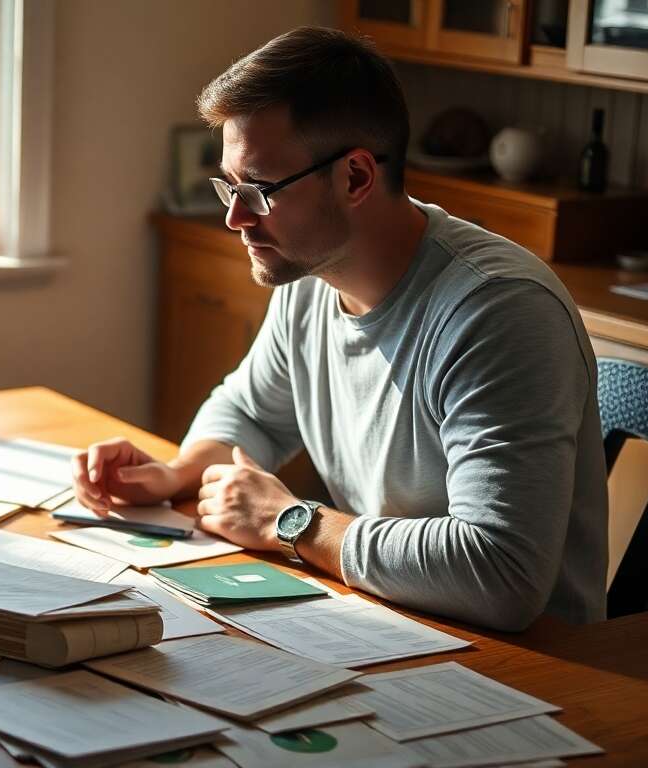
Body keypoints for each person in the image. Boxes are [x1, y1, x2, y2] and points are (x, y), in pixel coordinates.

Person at [72, 27, 607, 633]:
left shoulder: (499, 312)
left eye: (258, 190)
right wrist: (178, 472)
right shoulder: (311, 275)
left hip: (537, 674)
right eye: (229, 185)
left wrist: (292, 523)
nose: (234, 217)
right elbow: (249, 411)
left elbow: (502, 573)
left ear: (355, 177)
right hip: (390, 626)